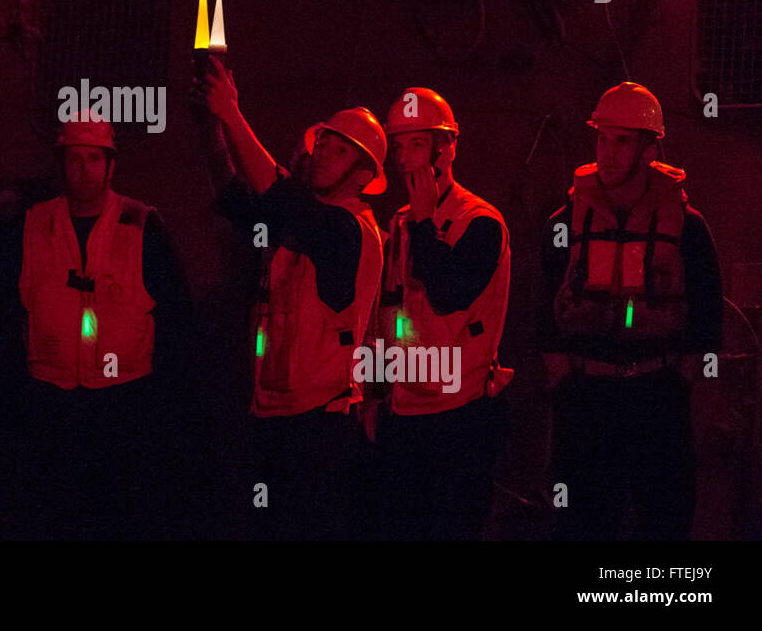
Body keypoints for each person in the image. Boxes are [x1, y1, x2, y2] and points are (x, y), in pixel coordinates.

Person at [194, 56, 385, 539]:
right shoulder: (301, 219)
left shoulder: (350, 232)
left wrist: (232, 113)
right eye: (323, 142)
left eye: (340, 151)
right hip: (274, 413)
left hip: (320, 425)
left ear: (365, 175)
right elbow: (239, 196)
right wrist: (213, 128)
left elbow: (278, 196)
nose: (323, 153)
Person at [542, 82, 722, 540]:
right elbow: (542, 306)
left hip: (657, 399)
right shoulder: (564, 222)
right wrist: (561, 374)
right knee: (580, 522)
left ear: (649, 149)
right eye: (602, 138)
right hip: (586, 399)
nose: (608, 151)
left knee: (664, 520)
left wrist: (681, 379)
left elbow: (707, 314)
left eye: (622, 140)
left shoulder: (688, 226)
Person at [13, 111, 190, 539]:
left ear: (112, 164)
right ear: (61, 165)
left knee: (124, 517)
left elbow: (178, 316)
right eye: (75, 159)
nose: (84, 170)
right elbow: (10, 308)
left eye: (94, 158)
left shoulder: (143, 224)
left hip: (124, 405)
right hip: (53, 403)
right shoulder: (34, 225)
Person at [375, 87, 512, 540]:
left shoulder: (480, 222)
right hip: (405, 407)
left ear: (447, 148)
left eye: (418, 144)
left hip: (460, 410)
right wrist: (379, 393)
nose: (405, 158)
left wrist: (425, 221)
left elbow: (450, 293)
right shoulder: (399, 221)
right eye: (399, 145)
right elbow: (389, 307)